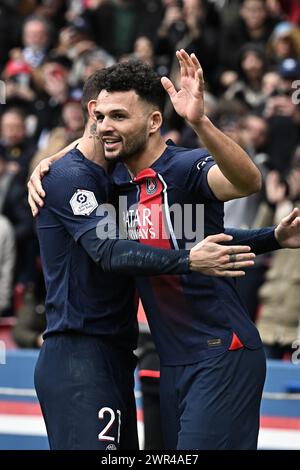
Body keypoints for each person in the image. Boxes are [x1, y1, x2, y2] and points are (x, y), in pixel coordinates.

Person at [28, 54, 300, 450]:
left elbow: (247, 181)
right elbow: (187, 242)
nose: (106, 127)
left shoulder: (186, 167)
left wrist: (199, 122)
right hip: (164, 360)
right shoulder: (118, 186)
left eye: (119, 117)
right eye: (101, 117)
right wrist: (51, 161)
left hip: (222, 353)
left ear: (154, 122)